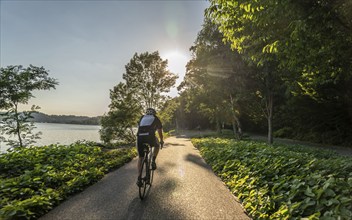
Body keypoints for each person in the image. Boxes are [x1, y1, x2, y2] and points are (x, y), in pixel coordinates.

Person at [136, 107, 164, 187]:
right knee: (157, 145)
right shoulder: (155, 118)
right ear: (154, 113)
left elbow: (139, 126)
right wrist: (161, 140)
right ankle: (153, 161)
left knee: (140, 157)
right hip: (150, 137)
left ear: (146, 113)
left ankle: (138, 178)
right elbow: (159, 131)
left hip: (140, 138)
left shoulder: (142, 117)